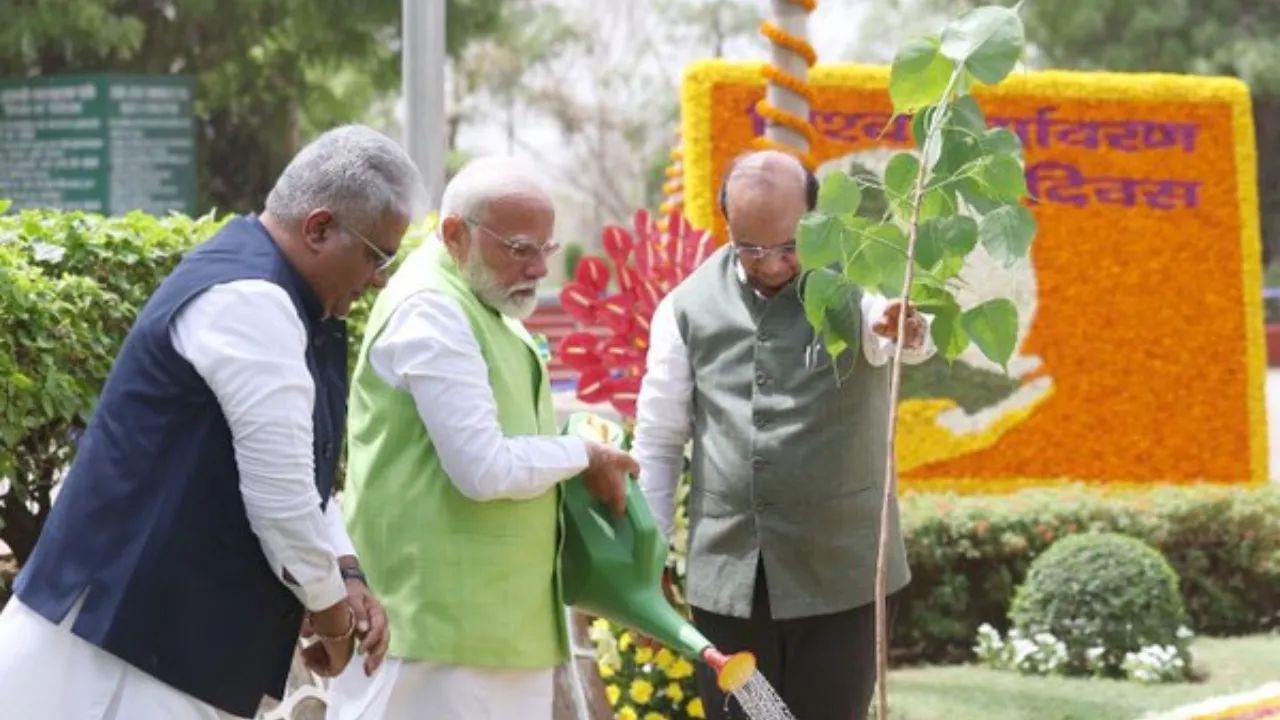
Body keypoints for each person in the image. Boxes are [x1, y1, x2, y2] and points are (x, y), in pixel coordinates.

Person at [0, 124, 425, 720]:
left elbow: (300, 473)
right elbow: (279, 498)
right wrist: (332, 617)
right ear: (319, 227)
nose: (380, 277)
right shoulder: (252, 300)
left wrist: (344, 574)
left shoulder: (278, 293)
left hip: (153, 653)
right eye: (378, 255)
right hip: (118, 659)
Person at [324, 156, 638, 720]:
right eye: (520, 248)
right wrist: (581, 454)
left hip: (490, 631)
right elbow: (483, 468)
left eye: (546, 249)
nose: (540, 268)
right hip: (431, 638)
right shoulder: (431, 309)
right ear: (454, 233)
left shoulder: (481, 298)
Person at [632, 149, 936, 720]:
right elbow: (658, 438)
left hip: (842, 576)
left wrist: (908, 328)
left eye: (789, 247)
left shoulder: (855, 287)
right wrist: (645, 560)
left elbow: (897, 335)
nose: (771, 264)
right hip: (730, 579)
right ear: (727, 228)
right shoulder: (685, 307)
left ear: (814, 221)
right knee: (746, 716)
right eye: (751, 248)